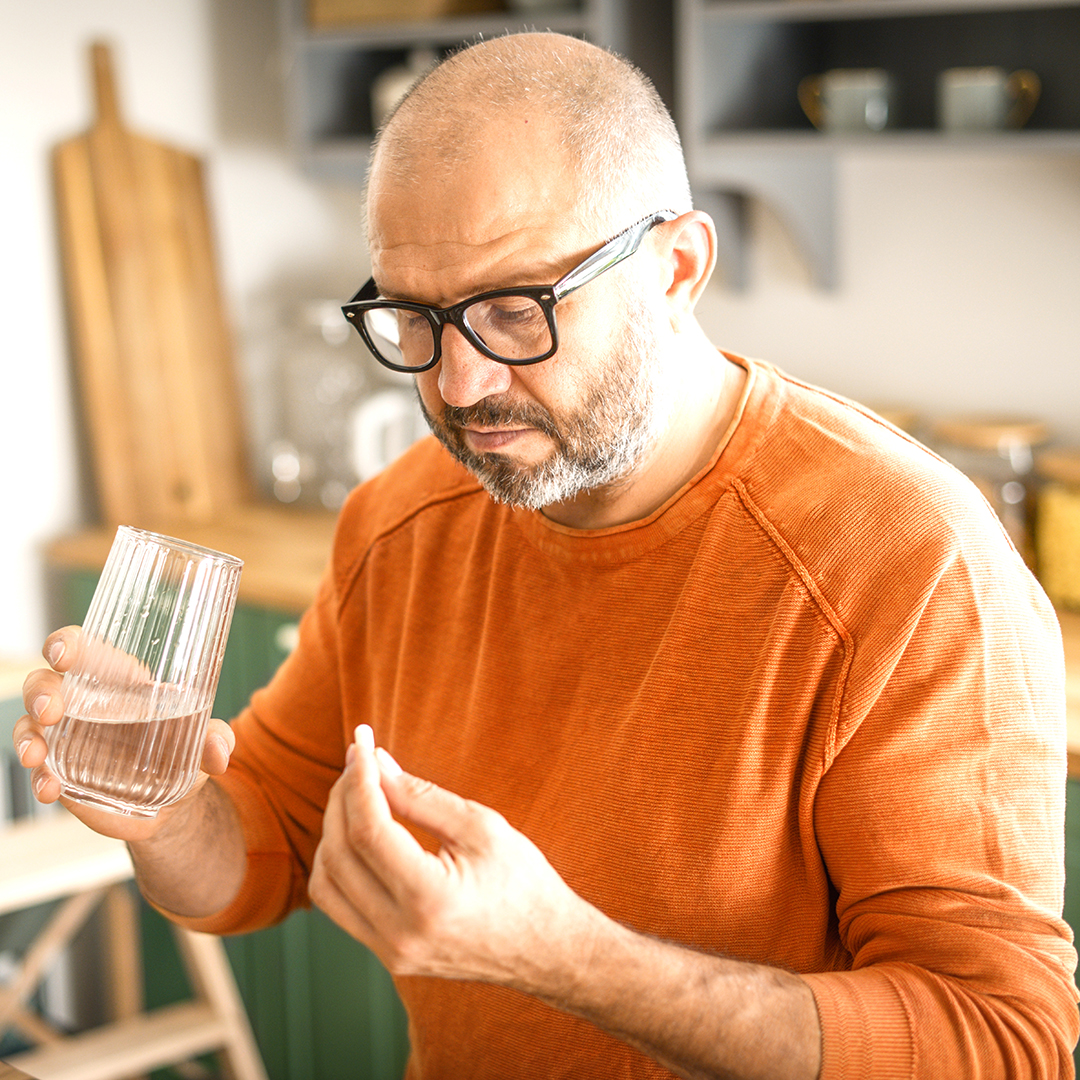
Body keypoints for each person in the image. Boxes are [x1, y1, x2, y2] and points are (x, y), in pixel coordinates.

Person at [15, 31, 1079, 1080]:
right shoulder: (402, 519)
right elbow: (268, 844)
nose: (461, 386)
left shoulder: (910, 560)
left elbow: (1003, 1045)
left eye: (516, 311)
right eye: (415, 318)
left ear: (677, 269)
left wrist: (567, 959)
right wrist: (164, 813)